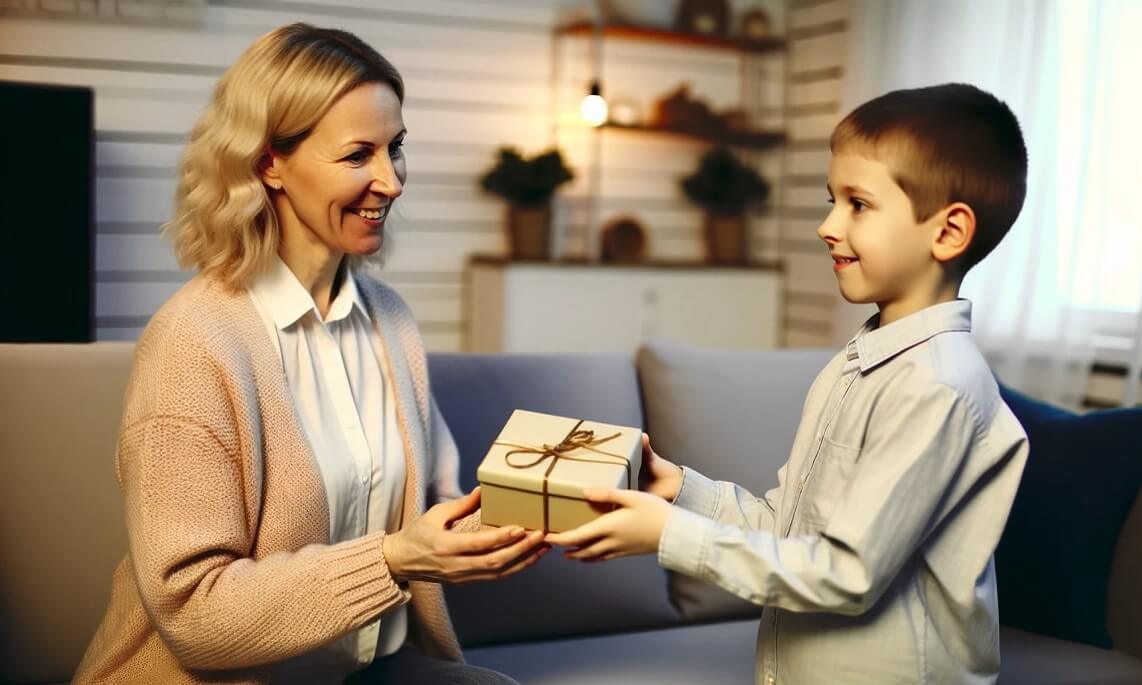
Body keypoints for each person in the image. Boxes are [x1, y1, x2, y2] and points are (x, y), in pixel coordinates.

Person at [73, 23, 544, 685]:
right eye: (359, 155)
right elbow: (195, 612)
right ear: (270, 163)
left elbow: (435, 501)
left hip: (364, 671)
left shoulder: (391, 321)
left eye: (396, 148)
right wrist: (395, 558)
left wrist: (529, 512)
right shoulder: (194, 343)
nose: (392, 181)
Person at [546, 83, 1032, 684]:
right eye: (832, 199)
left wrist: (669, 535)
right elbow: (791, 526)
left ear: (948, 232)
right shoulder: (859, 361)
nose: (828, 225)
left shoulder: (938, 387)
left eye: (858, 204)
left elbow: (844, 572)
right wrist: (682, 493)